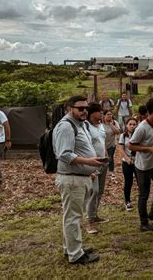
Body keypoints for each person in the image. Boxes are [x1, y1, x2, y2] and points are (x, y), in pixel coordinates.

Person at [52, 95, 102, 264]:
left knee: (72, 216)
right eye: (80, 108)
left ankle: (72, 248)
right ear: (69, 108)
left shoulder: (79, 125)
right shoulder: (66, 127)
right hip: (72, 180)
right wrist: (88, 162)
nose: (84, 111)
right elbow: (64, 154)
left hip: (79, 177)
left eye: (86, 108)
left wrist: (89, 171)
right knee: (72, 217)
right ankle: (75, 254)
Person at [128, 98, 153, 231]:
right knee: (144, 194)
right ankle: (143, 223)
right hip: (143, 166)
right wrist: (148, 149)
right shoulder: (142, 128)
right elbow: (131, 145)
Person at [85, 103, 109, 235]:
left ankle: (95, 215)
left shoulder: (100, 126)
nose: (101, 114)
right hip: (92, 163)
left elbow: (102, 141)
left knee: (100, 191)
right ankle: (89, 222)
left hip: (102, 161)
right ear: (92, 113)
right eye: (99, 112)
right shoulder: (86, 126)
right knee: (93, 191)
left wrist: (105, 154)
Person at [118, 117, 138, 212]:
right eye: (130, 124)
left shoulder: (138, 135)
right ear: (126, 125)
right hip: (127, 161)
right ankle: (127, 201)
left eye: (134, 124)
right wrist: (127, 158)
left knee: (140, 181)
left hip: (138, 161)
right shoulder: (123, 135)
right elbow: (121, 149)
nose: (132, 126)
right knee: (128, 181)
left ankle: (142, 200)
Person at [103, 110, 121, 180]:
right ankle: (104, 172)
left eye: (110, 114)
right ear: (104, 116)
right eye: (108, 114)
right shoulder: (101, 124)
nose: (109, 115)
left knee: (110, 157)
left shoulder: (115, 122)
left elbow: (117, 132)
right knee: (103, 158)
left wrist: (111, 125)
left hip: (112, 143)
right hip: (103, 144)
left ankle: (111, 172)